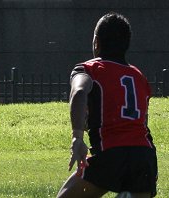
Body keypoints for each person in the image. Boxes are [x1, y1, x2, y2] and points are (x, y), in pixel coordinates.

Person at [57, 12, 158, 198]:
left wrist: (77, 137)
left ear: (96, 42)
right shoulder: (139, 76)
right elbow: (142, 121)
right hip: (144, 157)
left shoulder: (90, 69)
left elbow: (79, 92)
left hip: (111, 152)